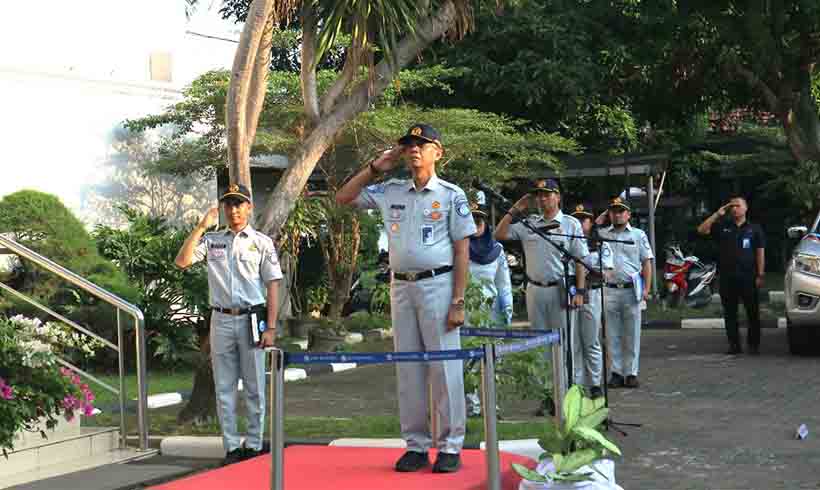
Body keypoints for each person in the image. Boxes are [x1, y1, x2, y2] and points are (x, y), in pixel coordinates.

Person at [336, 123, 475, 474]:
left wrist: (458, 300)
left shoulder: (451, 195)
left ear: (437, 152)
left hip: (438, 286)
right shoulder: (390, 190)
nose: (414, 149)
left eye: (422, 144)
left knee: (445, 368)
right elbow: (344, 197)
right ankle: (416, 445)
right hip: (402, 287)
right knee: (408, 368)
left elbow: (462, 252)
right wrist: (375, 167)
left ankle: (450, 445)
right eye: (409, 144)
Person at [174, 184, 282, 466]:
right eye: (229, 204)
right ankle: (232, 446)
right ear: (223, 209)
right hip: (220, 318)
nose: (233, 209)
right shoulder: (213, 241)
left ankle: (255, 443)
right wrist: (200, 226)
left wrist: (270, 327)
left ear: (249, 208)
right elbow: (182, 261)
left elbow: (272, 286)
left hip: (251, 318)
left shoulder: (262, 243)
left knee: (255, 385)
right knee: (224, 386)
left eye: (239, 204)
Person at [495, 179, 588, 403]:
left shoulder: (570, 224)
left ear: (557, 197)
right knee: (540, 344)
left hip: (561, 289)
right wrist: (515, 209)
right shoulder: (529, 224)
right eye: (539, 195)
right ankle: (547, 395)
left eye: (547, 194)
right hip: (535, 289)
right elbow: (499, 234)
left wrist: (580, 291)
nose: (542, 199)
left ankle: (566, 395)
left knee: (565, 344)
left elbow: (580, 260)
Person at [595, 197, 653, 389]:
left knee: (632, 333)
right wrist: (602, 217)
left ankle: (631, 373)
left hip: (631, 289)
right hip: (609, 289)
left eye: (621, 211)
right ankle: (616, 372)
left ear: (628, 214)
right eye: (614, 211)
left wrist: (646, 289)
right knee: (612, 334)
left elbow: (646, 262)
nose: (617, 214)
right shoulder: (602, 234)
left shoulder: (638, 235)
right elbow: (589, 230)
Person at [696, 196, 765, 355]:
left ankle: (753, 345)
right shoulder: (723, 227)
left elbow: (760, 252)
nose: (734, 208)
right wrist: (717, 214)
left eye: (738, 205)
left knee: (752, 312)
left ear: (746, 208)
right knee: (730, 313)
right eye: (732, 206)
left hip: (749, 276)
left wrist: (760, 274)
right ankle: (734, 345)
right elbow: (702, 230)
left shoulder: (754, 229)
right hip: (728, 277)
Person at [569, 204, 613, 398]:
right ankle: (576, 384)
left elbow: (608, 273)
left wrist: (589, 272)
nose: (580, 223)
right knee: (573, 342)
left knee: (591, 340)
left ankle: (595, 383)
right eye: (576, 219)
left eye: (583, 219)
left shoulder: (601, 244)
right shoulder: (565, 241)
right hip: (569, 294)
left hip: (592, 294)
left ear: (590, 221)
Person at [469, 202, 513, 326]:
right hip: (466, 314)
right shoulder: (456, 249)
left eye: (478, 221)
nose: (474, 225)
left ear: (485, 224)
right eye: (470, 221)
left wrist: (507, 311)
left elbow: (504, 285)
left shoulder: (497, 250)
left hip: (492, 313)